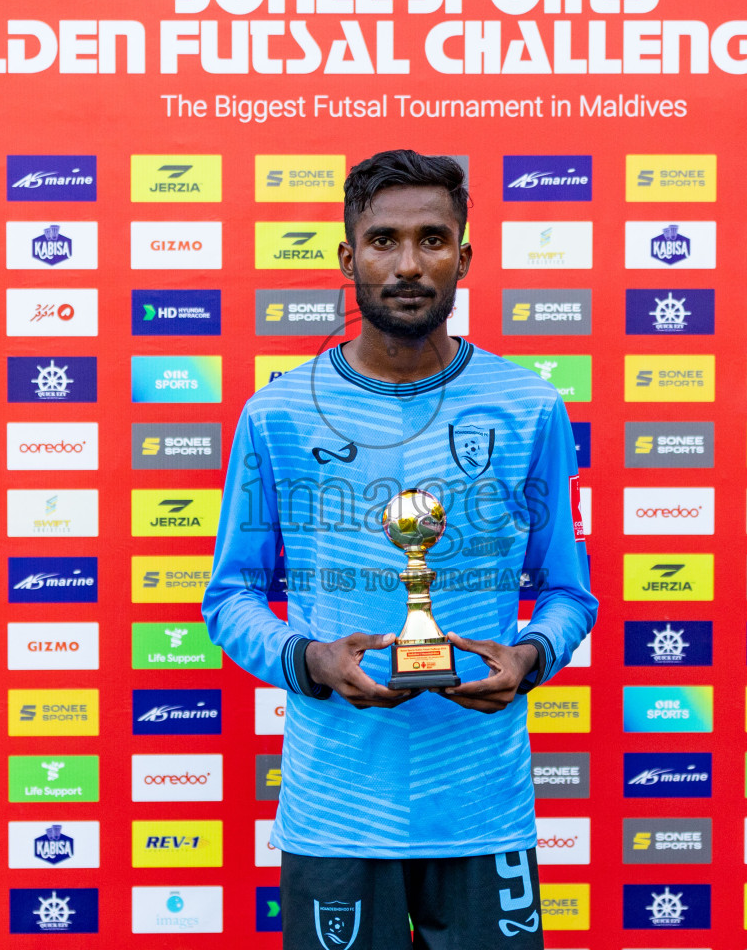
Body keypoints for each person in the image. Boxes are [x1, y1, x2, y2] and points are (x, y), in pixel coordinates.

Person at [202, 149, 597, 949]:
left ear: (466, 255)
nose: (409, 264)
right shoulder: (277, 413)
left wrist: (529, 657)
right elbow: (230, 596)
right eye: (383, 240)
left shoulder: (529, 406)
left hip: (482, 803)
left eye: (432, 239)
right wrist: (309, 660)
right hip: (338, 808)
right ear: (348, 256)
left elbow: (569, 592)